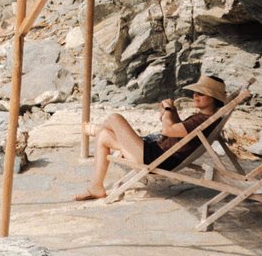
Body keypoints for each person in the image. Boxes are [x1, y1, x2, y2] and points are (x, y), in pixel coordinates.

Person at [76, 74, 229, 200]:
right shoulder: (207, 118)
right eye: (195, 92)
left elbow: (168, 130)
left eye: (200, 93)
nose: (195, 96)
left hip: (156, 159)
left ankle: (96, 129)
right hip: (156, 153)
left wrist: (168, 110)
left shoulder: (202, 121)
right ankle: (96, 187)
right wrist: (173, 112)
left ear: (213, 98)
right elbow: (180, 131)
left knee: (115, 118)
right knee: (103, 137)